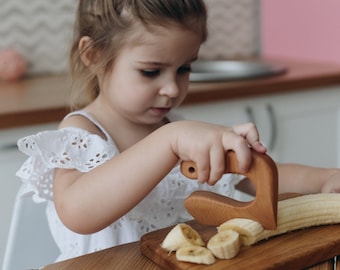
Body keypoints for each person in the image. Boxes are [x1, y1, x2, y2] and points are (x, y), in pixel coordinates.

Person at [16, 0, 340, 262]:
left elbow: (256, 176)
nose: (172, 88)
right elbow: (77, 212)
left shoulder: (175, 127)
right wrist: (168, 140)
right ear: (94, 56)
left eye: (184, 68)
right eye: (151, 71)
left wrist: (323, 179)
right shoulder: (82, 132)